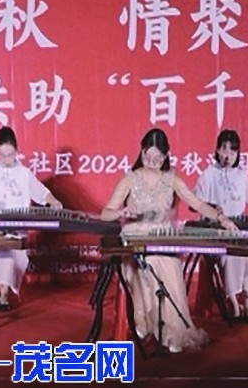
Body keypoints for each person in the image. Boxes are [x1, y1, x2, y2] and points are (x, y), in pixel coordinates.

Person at [100, 128, 237, 353]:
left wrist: (221, 218)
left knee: (168, 263)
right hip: (136, 241)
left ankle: (166, 328)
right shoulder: (130, 179)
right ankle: (146, 323)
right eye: (147, 157)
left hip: (162, 239)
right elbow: (105, 213)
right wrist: (122, 212)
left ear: (165, 157)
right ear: (141, 152)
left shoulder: (171, 179)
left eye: (157, 159)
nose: (151, 163)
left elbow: (197, 204)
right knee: (149, 263)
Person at [0, 126, 62, 310]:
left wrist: (54, 201)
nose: (6, 159)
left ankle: (2, 292)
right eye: (2, 155)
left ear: (17, 151)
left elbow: (42, 193)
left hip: (18, 228)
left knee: (11, 250)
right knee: (0, 249)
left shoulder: (24, 173)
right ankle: (2, 293)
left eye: (10, 155)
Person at [194, 129, 248, 322]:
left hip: (238, 230)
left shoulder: (241, 176)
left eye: (233, 151)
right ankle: (232, 301)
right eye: (224, 149)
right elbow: (195, 201)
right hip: (215, 231)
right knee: (229, 254)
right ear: (217, 150)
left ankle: (247, 300)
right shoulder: (208, 175)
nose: (228, 155)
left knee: (244, 253)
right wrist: (214, 210)